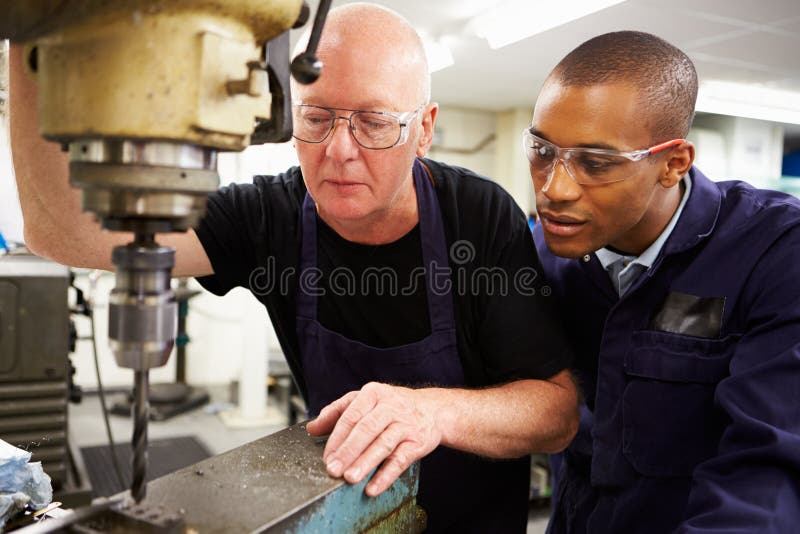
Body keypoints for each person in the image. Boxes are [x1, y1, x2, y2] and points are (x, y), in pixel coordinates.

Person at [10, 3, 579, 531]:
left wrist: (430, 411)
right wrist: (30, 34)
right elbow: (64, 234)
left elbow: (555, 414)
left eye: (374, 122)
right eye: (317, 117)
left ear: (423, 129)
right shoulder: (269, 215)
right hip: (338, 515)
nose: (339, 150)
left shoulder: (477, 217)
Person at [527, 30, 800, 533]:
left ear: (673, 164)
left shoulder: (776, 253)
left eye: (595, 162)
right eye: (542, 150)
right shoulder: (545, 258)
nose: (553, 188)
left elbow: (766, 471)